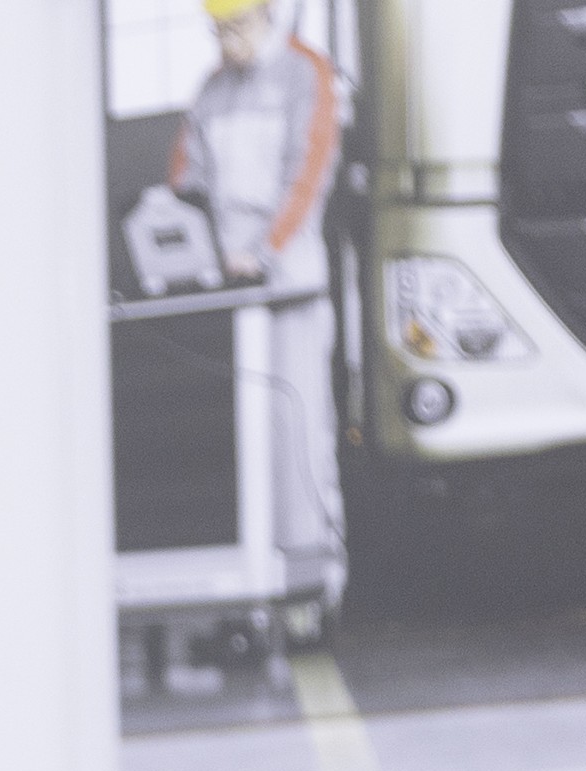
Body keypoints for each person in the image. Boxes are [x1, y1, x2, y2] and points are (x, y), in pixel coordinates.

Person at [170, 0, 346, 585]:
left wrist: (262, 252)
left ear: (267, 11)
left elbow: (308, 175)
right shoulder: (211, 91)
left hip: (288, 283)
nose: (229, 44)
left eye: (238, 28)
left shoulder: (305, 73)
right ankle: (260, 571)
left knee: (299, 427)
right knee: (248, 439)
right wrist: (193, 246)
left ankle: (316, 571)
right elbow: (185, 178)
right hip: (231, 290)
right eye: (218, 32)